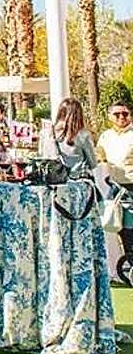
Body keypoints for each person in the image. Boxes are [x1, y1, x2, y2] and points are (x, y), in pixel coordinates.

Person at [97, 95, 133, 263]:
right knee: (117, 226)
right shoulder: (106, 136)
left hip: (131, 185)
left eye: (124, 114)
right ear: (110, 116)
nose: (121, 117)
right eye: (117, 114)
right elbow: (99, 157)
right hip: (115, 187)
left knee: (130, 227)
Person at [48, 97, 98, 173]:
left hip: (56, 176)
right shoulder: (82, 135)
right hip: (78, 176)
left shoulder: (50, 133)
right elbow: (93, 163)